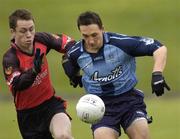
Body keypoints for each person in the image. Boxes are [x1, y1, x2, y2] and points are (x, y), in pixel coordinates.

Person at [62, 11, 170, 139]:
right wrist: (73, 77)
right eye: (85, 36)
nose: (90, 41)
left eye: (94, 35)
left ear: (103, 29)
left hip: (129, 100)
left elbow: (159, 47)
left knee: (142, 134)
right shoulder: (76, 53)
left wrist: (157, 74)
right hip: (99, 105)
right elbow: (67, 61)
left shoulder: (121, 43)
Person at [2, 9, 75, 139]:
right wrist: (34, 72)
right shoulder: (10, 59)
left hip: (50, 105)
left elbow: (70, 44)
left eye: (31, 29)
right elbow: (18, 83)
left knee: (63, 136)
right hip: (28, 117)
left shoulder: (41, 39)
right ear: (13, 32)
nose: (29, 35)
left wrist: (70, 62)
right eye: (23, 31)